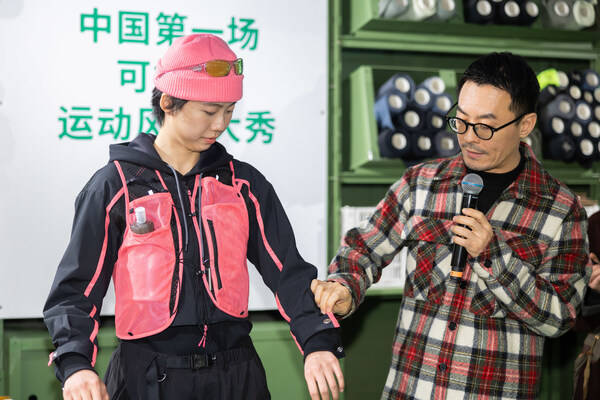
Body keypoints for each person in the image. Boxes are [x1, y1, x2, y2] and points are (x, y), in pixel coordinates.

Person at [43, 34, 344, 400]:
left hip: (237, 377)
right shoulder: (115, 186)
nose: (220, 124)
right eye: (209, 111)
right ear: (168, 103)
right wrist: (75, 364)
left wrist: (316, 341)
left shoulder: (244, 185)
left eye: (229, 111)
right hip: (146, 378)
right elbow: (76, 290)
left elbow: (288, 272)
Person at [311, 52, 591, 399]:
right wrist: (344, 286)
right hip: (411, 390)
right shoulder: (422, 183)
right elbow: (363, 249)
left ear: (525, 125)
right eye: (461, 121)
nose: (469, 138)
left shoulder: (561, 209)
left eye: (485, 127)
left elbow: (560, 316)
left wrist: (492, 255)